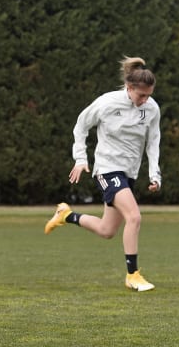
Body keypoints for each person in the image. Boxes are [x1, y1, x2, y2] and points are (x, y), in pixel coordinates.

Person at [45, 56, 161, 292]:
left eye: (149, 95)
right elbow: (81, 125)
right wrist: (80, 159)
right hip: (107, 169)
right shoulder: (107, 102)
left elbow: (153, 143)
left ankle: (66, 215)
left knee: (107, 230)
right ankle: (133, 275)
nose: (145, 100)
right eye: (141, 95)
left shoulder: (151, 109)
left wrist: (154, 174)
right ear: (129, 88)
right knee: (135, 217)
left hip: (128, 173)